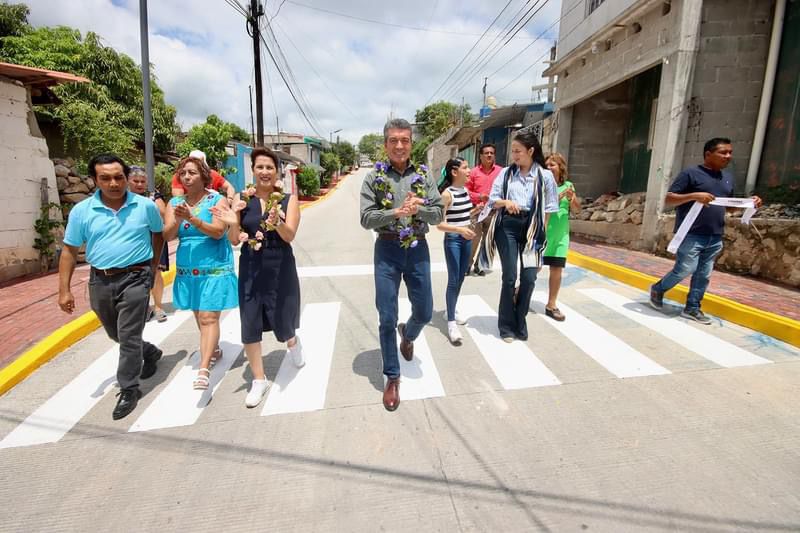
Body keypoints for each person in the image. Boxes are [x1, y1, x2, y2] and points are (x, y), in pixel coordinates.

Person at [58, 154, 164, 420]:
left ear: (126, 178)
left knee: (128, 336)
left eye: (118, 177)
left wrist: (151, 268)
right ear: (95, 180)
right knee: (116, 333)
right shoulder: (83, 211)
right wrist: (64, 290)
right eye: (105, 178)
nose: (113, 183)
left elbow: (158, 235)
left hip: (135, 277)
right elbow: (69, 251)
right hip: (100, 280)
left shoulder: (144, 206)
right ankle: (149, 351)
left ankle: (129, 388)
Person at [359, 118, 444, 412]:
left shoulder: (423, 175)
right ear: (385, 145)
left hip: (417, 248)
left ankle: (407, 336)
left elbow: (438, 213)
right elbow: (366, 218)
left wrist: (418, 207)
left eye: (404, 140)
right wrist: (396, 212)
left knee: (424, 310)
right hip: (387, 248)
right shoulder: (373, 177)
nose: (399, 145)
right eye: (393, 140)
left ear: (411, 143)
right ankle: (392, 377)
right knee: (386, 314)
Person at [212, 147, 304, 408]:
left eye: (269, 167)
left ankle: (292, 342)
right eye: (259, 167)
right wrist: (232, 221)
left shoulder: (288, 199)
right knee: (250, 320)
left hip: (281, 264)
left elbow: (289, 236)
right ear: (252, 170)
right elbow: (233, 240)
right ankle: (259, 379)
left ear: (277, 172)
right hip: (251, 265)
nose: (264, 172)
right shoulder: (242, 198)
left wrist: (277, 223)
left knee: (283, 316)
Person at [649, 137, 762, 324]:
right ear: (708, 154)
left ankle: (693, 308)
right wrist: (694, 195)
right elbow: (668, 199)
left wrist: (750, 203)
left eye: (730, 153)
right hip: (691, 233)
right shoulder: (690, 174)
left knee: (704, 275)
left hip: (715, 235)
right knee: (685, 269)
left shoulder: (727, 179)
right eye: (723, 152)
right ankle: (658, 289)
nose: (728, 156)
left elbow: (728, 207)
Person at [163, 156, 238, 390]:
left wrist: (192, 218)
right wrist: (178, 217)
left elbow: (218, 232)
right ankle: (214, 349)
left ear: (204, 176)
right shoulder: (174, 202)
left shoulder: (217, 200)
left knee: (208, 317)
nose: (187, 177)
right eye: (183, 173)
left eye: (192, 173)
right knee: (199, 317)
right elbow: (167, 236)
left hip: (214, 267)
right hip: (188, 271)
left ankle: (204, 369)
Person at [486, 130, 558, 343]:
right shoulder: (506, 173)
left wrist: (540, 237)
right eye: (513, 151)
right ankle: (506, 326)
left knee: (528, 278)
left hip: (533, 229)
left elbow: (550, 208)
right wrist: (506, 202)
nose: (514, 156)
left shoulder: (545, 176)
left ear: (531, 151)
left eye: (518, 151)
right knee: (509, 276)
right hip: (507, 226)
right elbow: (492, 200)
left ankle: (520, 319)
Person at [436, 157, 476, 345]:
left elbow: (464, 215)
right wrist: (460, 230)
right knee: (453, 280)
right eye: (466, 168)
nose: (469, 171)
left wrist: (478, 211)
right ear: (454, 172)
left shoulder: (465, 191)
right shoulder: (447, 194)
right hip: (453, 240)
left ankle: (449, 311)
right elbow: (440, 224)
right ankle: (451, 323)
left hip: (466, 238)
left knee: (461, 277)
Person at [541, 153, 580, 321]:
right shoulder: (542, 185)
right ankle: (519, 291)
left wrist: (572, 199)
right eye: (547, 165)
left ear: (560, 167)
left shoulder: (569, 185)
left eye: (552, 165)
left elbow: (577, 210)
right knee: (533, 269)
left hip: (561, 234)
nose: (549, 168)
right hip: (544, 232)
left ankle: (551, 304)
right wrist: (559, 196)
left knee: (556, 270)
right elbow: (543, 206)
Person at [128, 166, 169, 322]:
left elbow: (164, 214)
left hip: (154, 237)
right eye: (135, 181)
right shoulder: (122, 200)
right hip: (135, 240)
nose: (139, 184)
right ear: (128, 181)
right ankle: (143, 307)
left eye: (142, 181)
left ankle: (158, 306)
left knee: (156, 271)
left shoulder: (153, 197)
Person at [465, 143, 502, 276]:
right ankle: (467, 265)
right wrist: (479, 196)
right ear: (480, 156)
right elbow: (466, 191)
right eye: (486, 153)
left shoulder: (501, 172)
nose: (489, 155)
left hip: (494, 212)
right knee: (473, 239)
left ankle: (480, 266)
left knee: (488, 241)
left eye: (492, 153)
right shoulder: (473, 172)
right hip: (476, 211)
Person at [170, 149, 236, 204]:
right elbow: (178, 199)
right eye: (194, 161)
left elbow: (229, 187)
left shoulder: (212, 174)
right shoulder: (180, 176)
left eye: (199, 162)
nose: (187, 177)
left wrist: (229, 200)